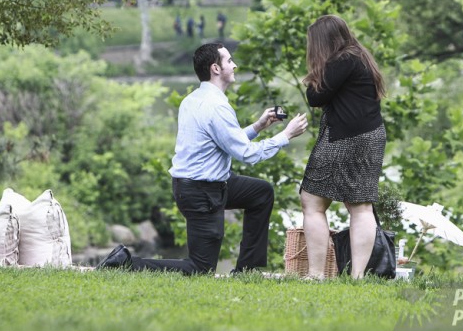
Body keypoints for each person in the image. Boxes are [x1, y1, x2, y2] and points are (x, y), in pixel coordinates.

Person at [97, 42, 308, 274]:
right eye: (229, 60)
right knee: (200, 268)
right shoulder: (216, 106)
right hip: (201, 192)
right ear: (215, 69)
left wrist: (257, 126)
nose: (234, 64)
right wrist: (286, 135)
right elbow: (246, 154)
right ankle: (127, 262)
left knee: (260, 193)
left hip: (202, 185)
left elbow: (223, 141)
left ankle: (247, 269)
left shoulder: (193, 100)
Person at [299, 15, 387, 279]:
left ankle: (316, 274)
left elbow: (315, 97)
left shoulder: (342, 60)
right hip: (371, 135)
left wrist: (312, 77)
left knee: (312, 200)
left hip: (346, 137)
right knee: (360, 205)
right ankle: (357, 277)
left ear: (324, 41)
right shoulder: (358, 56)